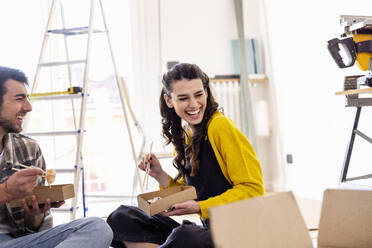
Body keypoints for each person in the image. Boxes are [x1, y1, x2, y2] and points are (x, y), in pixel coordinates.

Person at [107, 63, 265, 248]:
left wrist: (200, 207)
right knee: (122, 216)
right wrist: (159, 174)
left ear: (206, 92)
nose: (194, 104)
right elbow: (190, 192)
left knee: (185, 236)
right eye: (183, 98)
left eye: (199, 94)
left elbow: (253, 189)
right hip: (210, 233)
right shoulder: (185, 137)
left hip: (238, 236)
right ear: (169, 100)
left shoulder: (221, 127)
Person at [0, 66, 113, 248]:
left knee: (97, 227)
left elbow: (39, 233)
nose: (28, 107)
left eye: (27, 99)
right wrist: (6, 191)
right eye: (19, 99)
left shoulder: (28, 149)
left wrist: (34, 215)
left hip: (18, 243)